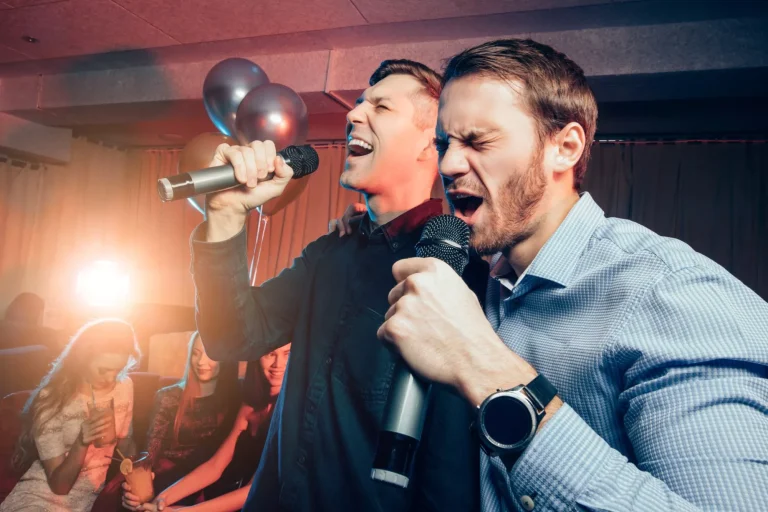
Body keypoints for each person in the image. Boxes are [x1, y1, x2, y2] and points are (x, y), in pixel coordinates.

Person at [370, 38, 768, 511]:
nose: (450, 165)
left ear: (565, 147)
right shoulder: (481, 278)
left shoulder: (675, 294)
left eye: (478, 141)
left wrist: (486, 368)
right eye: (444, 143)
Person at [191, 60, 480, 511]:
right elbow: (231, 336)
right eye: (360, 103)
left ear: (431, 141)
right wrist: (227, 216)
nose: (353, 114)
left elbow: (449, 474)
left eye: (381, 106)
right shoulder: (329, 253)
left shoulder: (455, 270)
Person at [123, 345, 291, 512]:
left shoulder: (292, 412)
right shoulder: (249, 405)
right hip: (226, 492)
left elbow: (255, 489)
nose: (278, 364)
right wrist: (161, 499)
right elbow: (215, 466)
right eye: (270, 354)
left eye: (287, 354)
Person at [1, 318, 139, 512]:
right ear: (83, 359)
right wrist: (81, 443)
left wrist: (140, 470)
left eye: (117, 370)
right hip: (40, 496)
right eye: (104, 370)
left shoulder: (125, 387)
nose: (110, 379)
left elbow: (126, 446)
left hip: (88, 499)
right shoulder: (51, 400)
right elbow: (59, 487)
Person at [140, 332, 240, 503]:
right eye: (196, 353)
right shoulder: (169, 396)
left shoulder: (236, 399)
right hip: (168, 480)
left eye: (210, 354)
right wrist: (142, 485)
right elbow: (151, 450)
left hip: (214, 484)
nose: (201, 362)